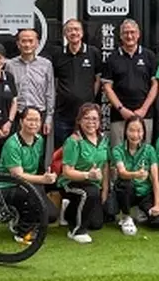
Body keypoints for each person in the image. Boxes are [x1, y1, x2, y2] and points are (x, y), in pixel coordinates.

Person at [0, 107, 59, 241]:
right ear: (21, 122)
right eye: (29, 119)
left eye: (37, 120)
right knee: (33, 195)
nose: (34, 123)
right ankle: (22, 232)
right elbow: (17, 175)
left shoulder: (39, 140)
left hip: (30, 184)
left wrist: (49, 177)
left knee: (51, 215)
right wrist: (43, 179)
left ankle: (21, 218)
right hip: (9, 186)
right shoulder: (12, 144)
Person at [101, 19, 159, 149]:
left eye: (132, 32)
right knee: (118, 154)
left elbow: (155, 85)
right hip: (119, 115)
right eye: (126, 33)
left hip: (144, 115)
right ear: (121, 36)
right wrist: (121, 109)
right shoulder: (112, 58)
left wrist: (143, 109)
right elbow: (107, 87)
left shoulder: (149, 56)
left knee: (143, 153)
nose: (129, 36)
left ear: (138, 34)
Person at [59, 103, 109, 244]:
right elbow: (67, 172)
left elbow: (105, 165)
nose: (90, 123)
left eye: (94, 119)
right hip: (71, 182)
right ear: (79, 120)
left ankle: (68, 211)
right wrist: (88, 175)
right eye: (86, 118)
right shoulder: (73, 141)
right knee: (90, 192)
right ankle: (76, 230)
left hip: (93, 184)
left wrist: (105, 189)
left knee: (96, 224)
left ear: (99, 121)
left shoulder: (103, 140)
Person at [51, 18, 102, 149]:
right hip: (63, 114)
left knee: (86, 152)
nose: (73, 33)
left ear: (82, 33)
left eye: (76, 29)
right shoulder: (57, 55)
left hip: (87, 116)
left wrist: (89, 96)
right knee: (62, 153)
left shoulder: (93, 53)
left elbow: (98, 79)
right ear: (65, 34)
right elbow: (54, 81)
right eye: (69, 30)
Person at [112, 118, 159, 235]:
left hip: (144, 193)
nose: (135, 135)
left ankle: (140, 211)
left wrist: (157, 204)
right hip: (127, 192)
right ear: (125, 131)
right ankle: (126, 216)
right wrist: (136, 174)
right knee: (126, 184)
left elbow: (155, 179)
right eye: (131, 130)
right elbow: (122, 172)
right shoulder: (118, 150)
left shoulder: (150, 150)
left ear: (144, 132)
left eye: (139, 131)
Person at [6, 28, 55, 137]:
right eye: (23, 41)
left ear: (37, 43)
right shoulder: (10, 65)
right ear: (18, 44)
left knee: (37, 151)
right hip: (17, 114)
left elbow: (50, 92)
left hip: (39, 115)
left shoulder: (46, 64)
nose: (27, 45)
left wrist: (48, 118)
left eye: (30, 41)